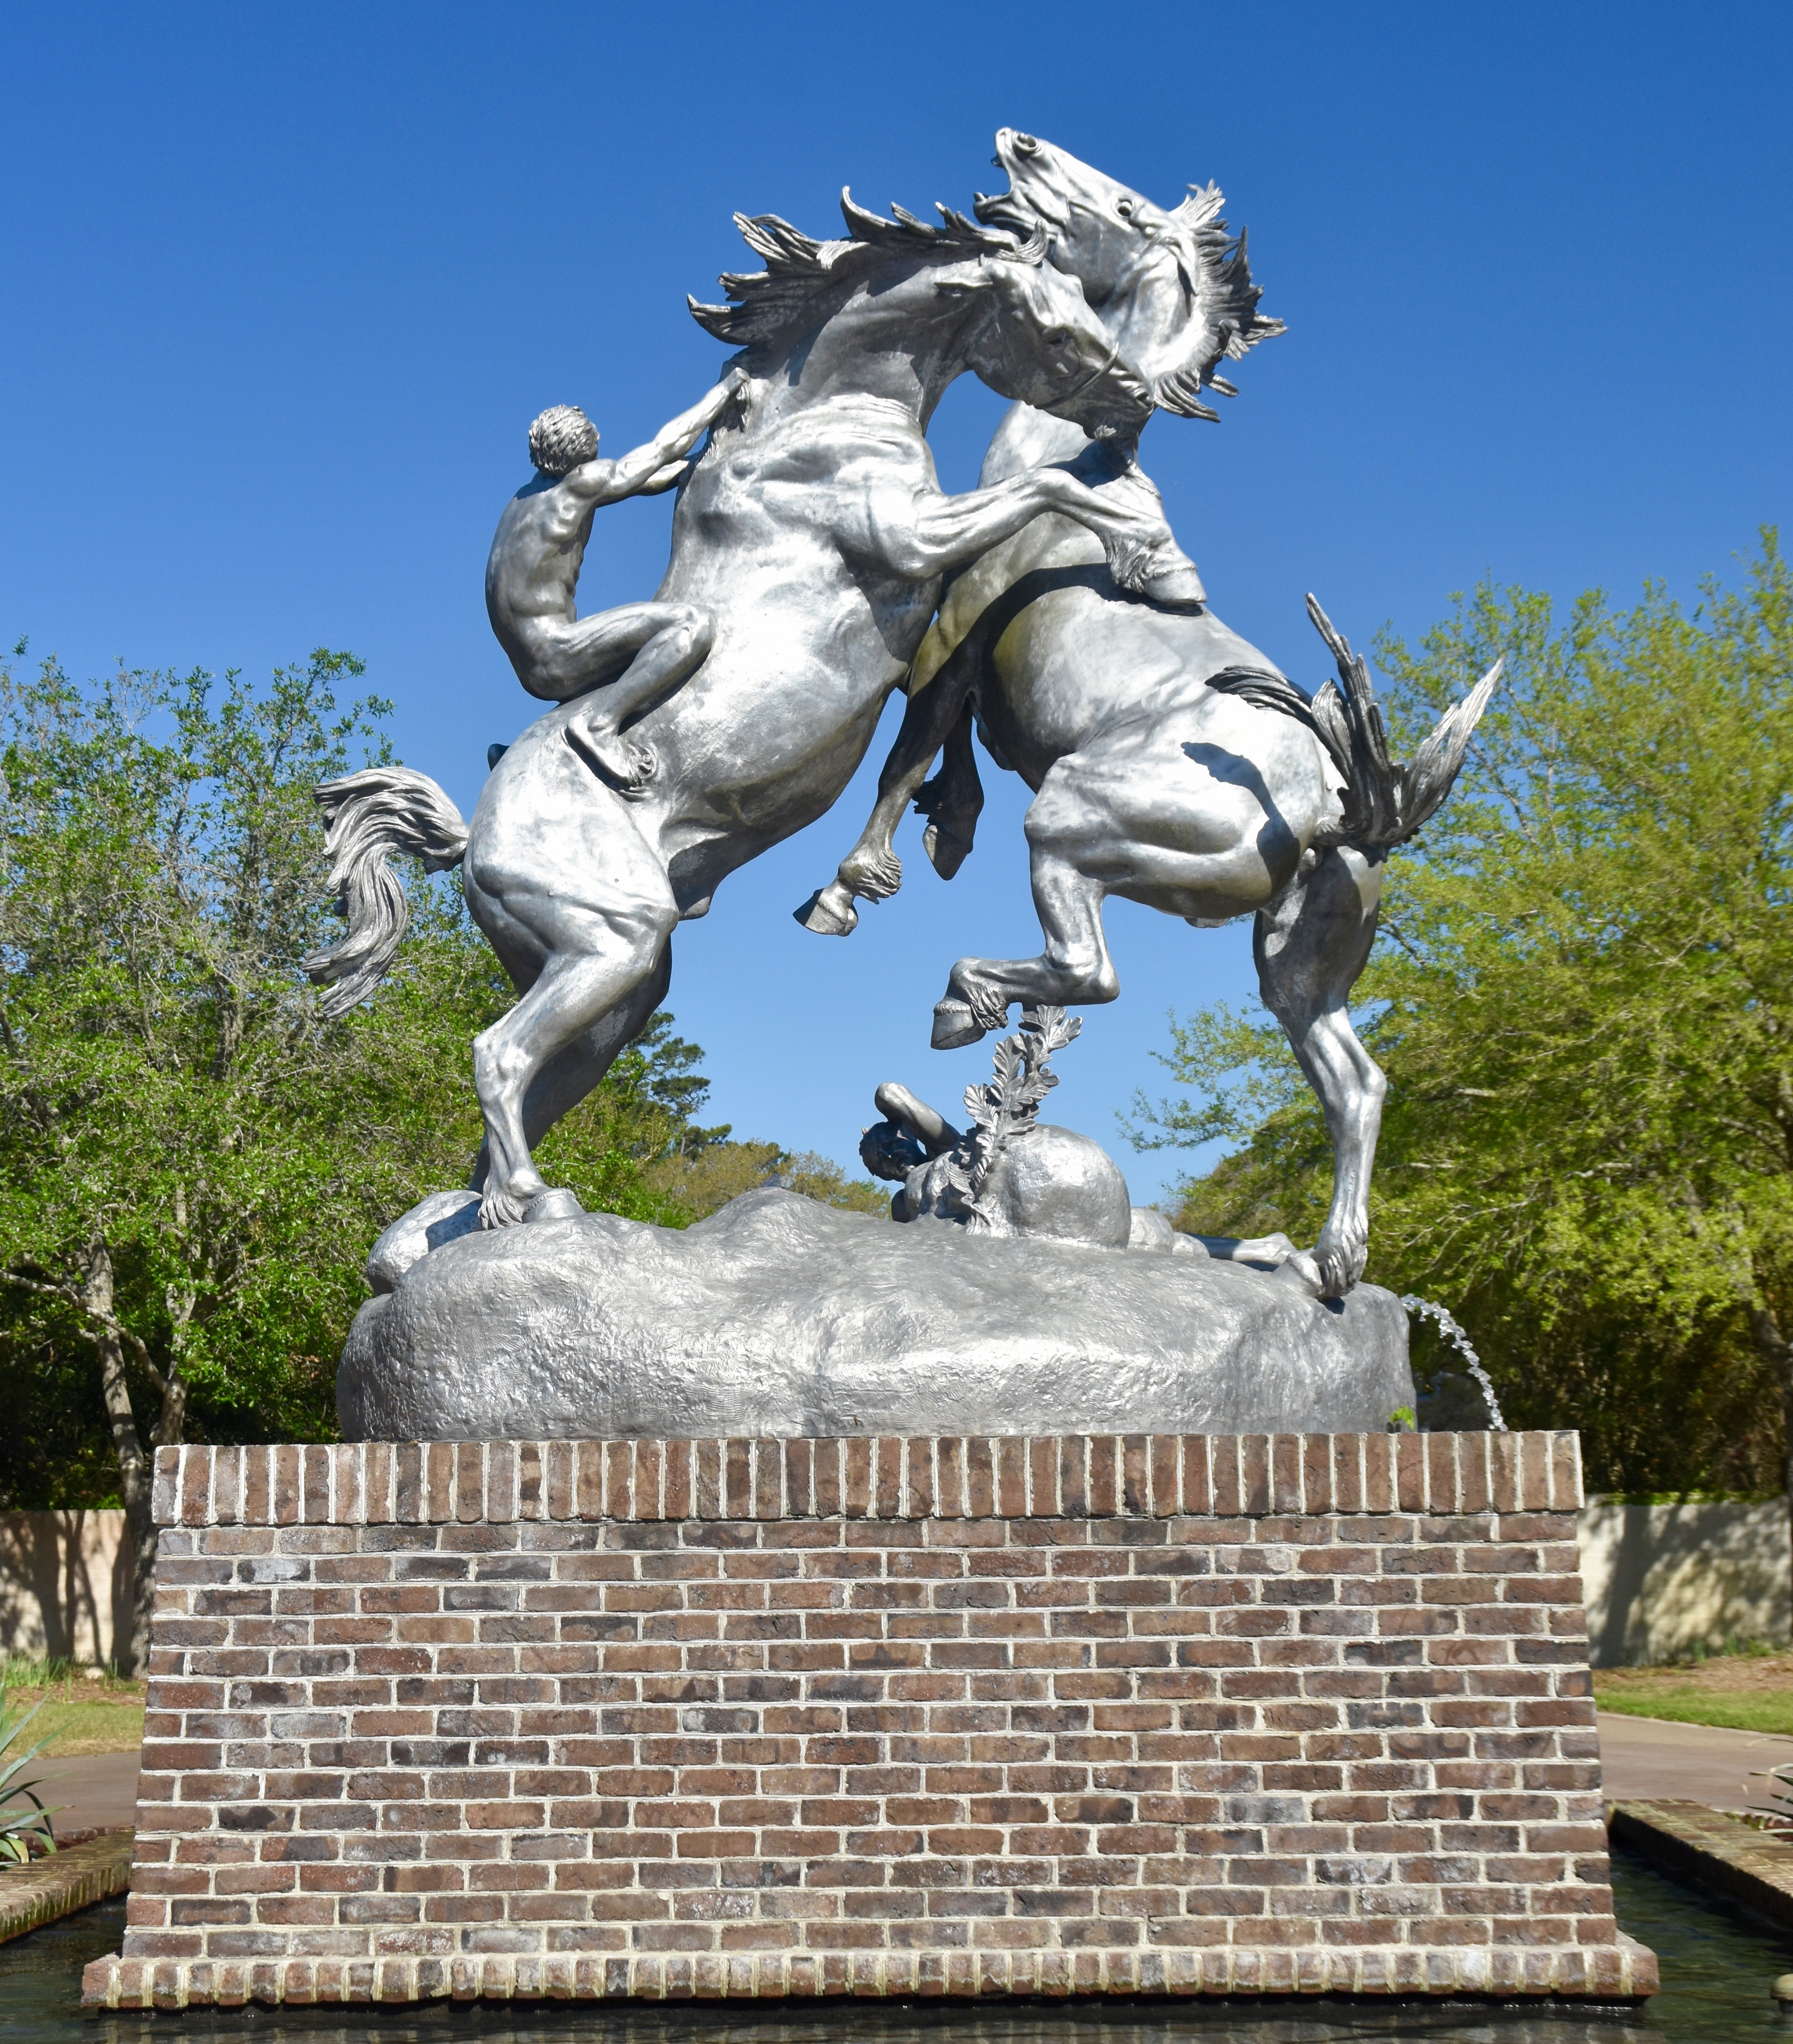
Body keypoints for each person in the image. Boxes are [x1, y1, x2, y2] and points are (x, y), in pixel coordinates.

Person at [485, 371, 745, 788]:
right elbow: (662, 451)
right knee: (689, 626)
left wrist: (697, 466)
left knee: (633, 659)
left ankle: (519, 749)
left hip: (529, 663)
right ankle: (602, 727)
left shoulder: (523, 501)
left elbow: (646, 477)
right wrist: (725, 392)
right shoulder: (580, 485)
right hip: (555, 652)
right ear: (582, 448)